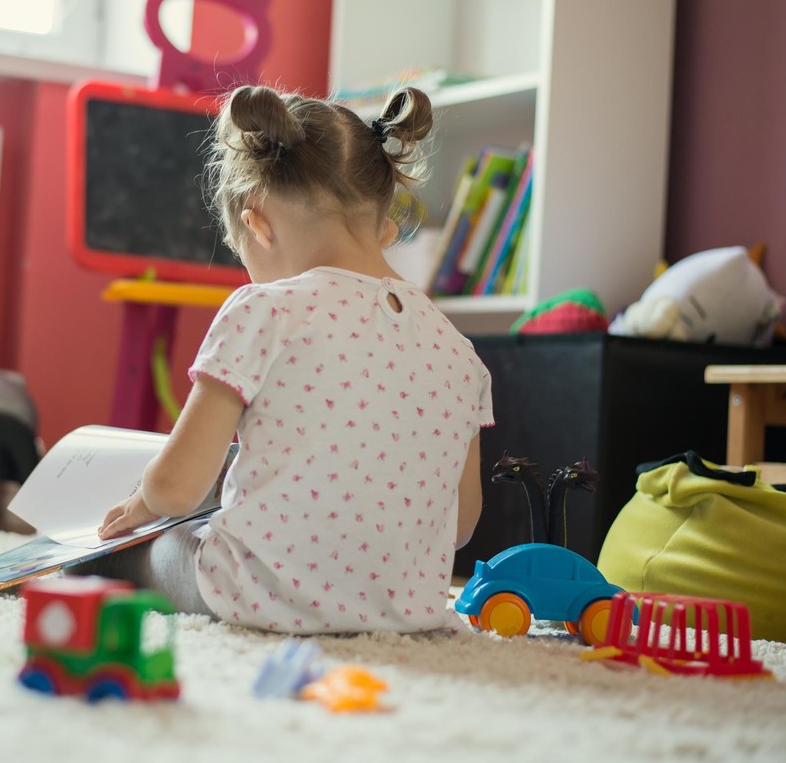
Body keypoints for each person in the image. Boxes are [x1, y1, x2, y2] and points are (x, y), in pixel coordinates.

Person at [81, 84, 493, 634]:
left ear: (258, 225)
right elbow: (462, 522)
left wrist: (143, 506)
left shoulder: (264, 310)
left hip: (257, 596)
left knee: (139, 553)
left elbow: (177, 488)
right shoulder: (461, 353)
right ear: (386, 229)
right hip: (403, 612)